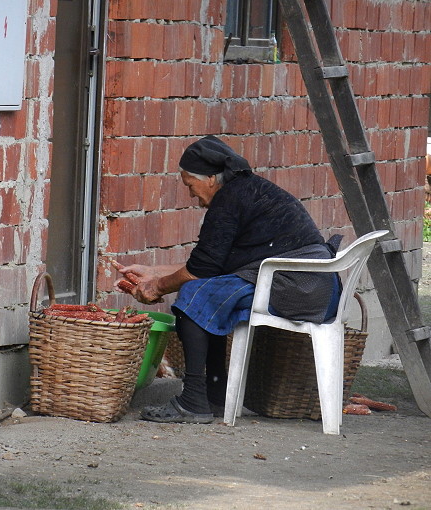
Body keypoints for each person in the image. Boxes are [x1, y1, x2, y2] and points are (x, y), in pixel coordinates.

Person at [115, 135, 342, 424]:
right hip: (315, 286)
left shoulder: (229, 200)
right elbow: (211, 263)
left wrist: (156, 287)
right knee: (206, 291)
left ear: (210, 178)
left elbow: (202, 270)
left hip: (297, 286)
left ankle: (195, 400)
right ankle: (215, 393)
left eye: (189, 185)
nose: (190, 194)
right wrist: (155, 272)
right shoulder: (247, 191)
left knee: (195, 297)